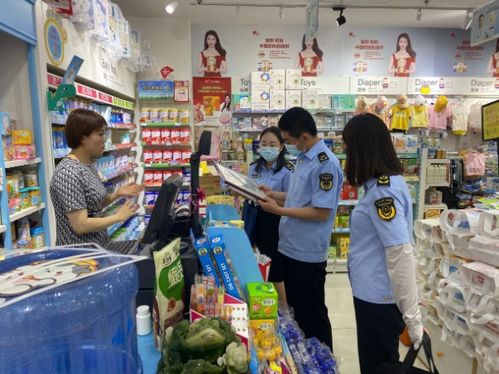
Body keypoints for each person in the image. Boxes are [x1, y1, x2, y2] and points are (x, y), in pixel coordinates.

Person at [342, 113, 423, 374]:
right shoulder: (382, 184)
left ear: (361, 148)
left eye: (347, 145)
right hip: (374, 294)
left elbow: (400, 253)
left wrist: (413, 317)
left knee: (378, 366)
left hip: (378, 299)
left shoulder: (382, 191)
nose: (345, 152)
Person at [258, 107, 343, 351]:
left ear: (303, 137)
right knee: (296, 310)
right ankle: (305, 357)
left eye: (287, 141)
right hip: (290, 248)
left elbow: (321, 211)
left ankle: (324, 362)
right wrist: (273, 194)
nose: (287, 145)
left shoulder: (324, 164)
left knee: (312, 314)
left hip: (307, 253)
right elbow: (298, 198)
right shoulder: (304, 159)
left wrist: (280, 211)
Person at [50, 109, 143, 247]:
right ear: (82, 137)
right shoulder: (68, 172)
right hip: (79, 257)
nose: (104, 139)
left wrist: (117, 194)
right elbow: (80, 225)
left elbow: (94, 206)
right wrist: (118, 217)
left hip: (97, 248)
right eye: (100, 134)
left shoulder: (88, 165)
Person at [243, 127, 292, 304]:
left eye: (272, 144)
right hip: (255, 218)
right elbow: (249, 193)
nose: (267, 147)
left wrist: (270, 201)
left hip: (275, 221)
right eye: (264, 144)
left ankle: (284, 309)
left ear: (281, 147)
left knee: (275, 267)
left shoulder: (287, 172)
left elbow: (291, 202)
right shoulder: (253, 168)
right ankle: (262, 300)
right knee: (255, 261)